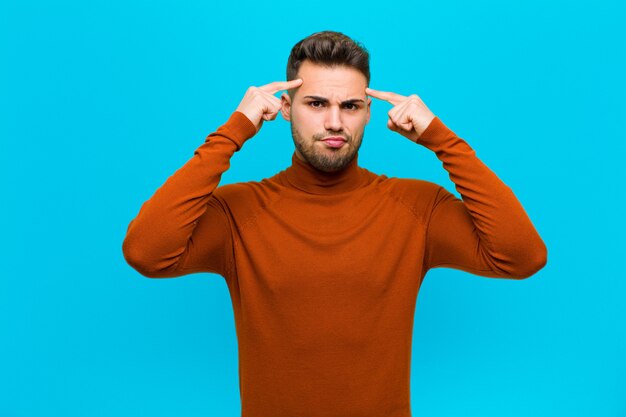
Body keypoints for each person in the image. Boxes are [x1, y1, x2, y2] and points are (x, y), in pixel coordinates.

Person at [122, 30, 547, 417]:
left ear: (367, 113)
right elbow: (146, 251)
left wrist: (440, 138)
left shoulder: (416, 208)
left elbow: (521, 256)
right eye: (316, 103)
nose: (334, 122)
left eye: (350, 106)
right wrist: (235, 130)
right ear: (285, 108)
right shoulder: (239, 212)